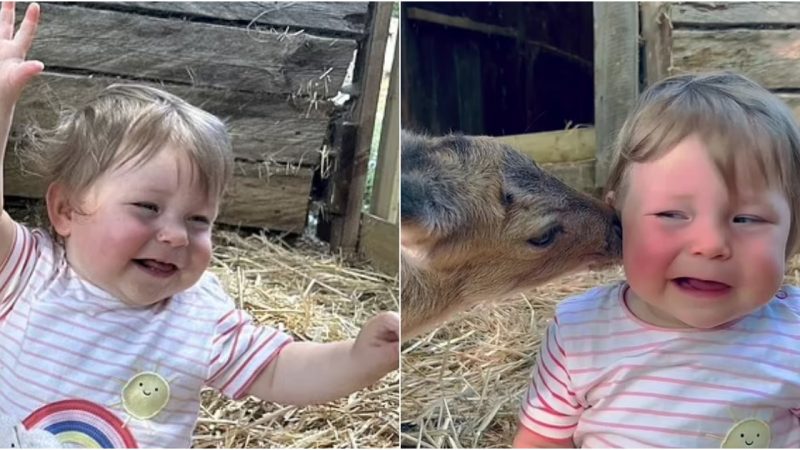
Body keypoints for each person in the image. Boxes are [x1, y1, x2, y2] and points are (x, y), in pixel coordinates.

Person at [0, 2, 398, 447]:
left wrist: (361, 357)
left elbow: (280, 370)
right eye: (147, 207)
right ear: (67, 210)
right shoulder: (29, 274)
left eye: (198, 219)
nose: (175, 235)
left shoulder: (198, 316)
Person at [513, 70, 800, 448]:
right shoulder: (579, 333)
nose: (711, 244)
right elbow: (541, 442)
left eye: (747, 219)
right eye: (671, 215)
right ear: (620, 218)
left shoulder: (792, 336)